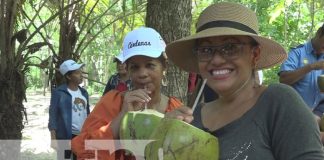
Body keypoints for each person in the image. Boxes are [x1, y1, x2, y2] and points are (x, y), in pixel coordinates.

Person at [165, 2, 324, 159]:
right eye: (206, 50)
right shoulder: (194, 116)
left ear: (254, 55)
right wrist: (163, 140)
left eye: (230, 47)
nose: (217, 60)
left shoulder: (279, 102)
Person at [71, 27, 183, 160]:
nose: (142, 74)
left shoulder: (175, 108)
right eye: (135, 67)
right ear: (128, 70)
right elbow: (84, 152)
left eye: (150, 65)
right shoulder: (112, 103)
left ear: (164, 66)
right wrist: (122, 117)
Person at [279, 24, 324, 140]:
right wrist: (311, 66)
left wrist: (317, 115)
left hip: (316, 115)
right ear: (319, 33)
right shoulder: (298, 52)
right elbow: (283, 79)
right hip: (292, 114)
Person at [48, 59, 90, 160]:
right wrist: (53, 138)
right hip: (65, 136)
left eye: (80, 72)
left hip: (82, 136)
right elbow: (52, 116)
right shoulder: (58, 93)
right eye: (76, 72)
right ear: (68, 76)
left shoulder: (84, 93)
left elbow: (88, 114)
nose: (81, 75)